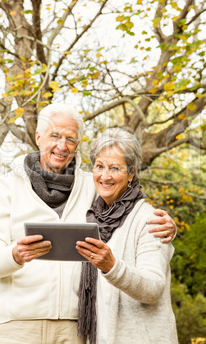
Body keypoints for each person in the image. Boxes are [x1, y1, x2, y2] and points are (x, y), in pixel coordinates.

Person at [0, 103, 177, 344]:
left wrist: (167, 225)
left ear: (77, 145)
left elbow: (126, 205)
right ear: (38, 137)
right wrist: (15, 255)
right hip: (13, 325)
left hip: (74, 329)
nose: (62, 146)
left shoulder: (92, 185)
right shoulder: (7, 186)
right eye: (54, 136)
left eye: (70, 139)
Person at [76, 128, 178, 344]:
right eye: (99, 166)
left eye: (115, 168)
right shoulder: (92, 216)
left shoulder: (150, 219)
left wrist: (112, 266)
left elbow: (153, 288)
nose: (105, 176)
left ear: (131, 173)